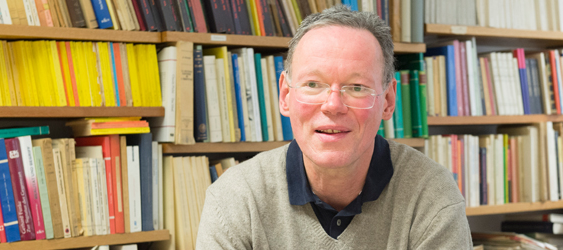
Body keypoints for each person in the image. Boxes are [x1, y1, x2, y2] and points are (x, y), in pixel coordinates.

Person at [196, 5, 472, 249]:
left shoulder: (432, 196)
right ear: (285, 96)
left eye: (356, 87)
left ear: (388, 101)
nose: (333, 105)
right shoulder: (235, 197)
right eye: (313, 84)